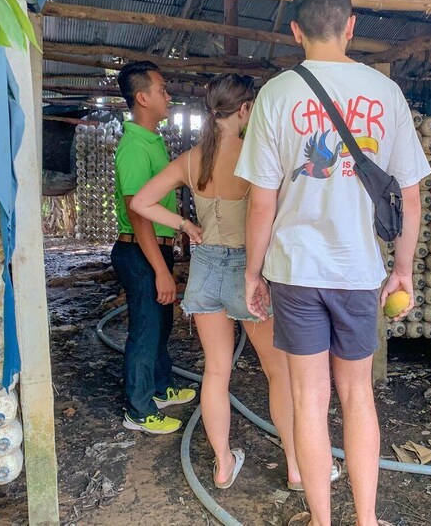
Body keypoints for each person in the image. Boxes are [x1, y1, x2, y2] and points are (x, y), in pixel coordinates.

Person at [235, 0, 430, 526]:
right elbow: (409, 198)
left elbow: (259, 205)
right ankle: (366, 521)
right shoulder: (385, 94)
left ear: (297, 30)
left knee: (308, 402)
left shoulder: (276, 95)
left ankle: (323, 522)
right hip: (358, 271)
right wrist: (404, 270)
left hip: (295, 271)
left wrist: (254, 272)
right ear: (350, 25)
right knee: (358, 397)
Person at [130, 74, 339, 489]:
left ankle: (223, 465)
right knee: (277, 372)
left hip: (205, 269)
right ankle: (298, 468)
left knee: (216, 373)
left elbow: (140, 202)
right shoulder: (258, 156)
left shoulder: (192, 159)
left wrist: (186, 223)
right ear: (244, 110)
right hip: (250, 272)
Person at [111, 61, 196, 435]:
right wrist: (160, 270)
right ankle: (139, 408)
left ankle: (160, 388)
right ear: (142, 97)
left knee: (161, 323)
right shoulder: (133, 148)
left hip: (154, 249)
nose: (168, 95)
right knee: (145, 330)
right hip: (139, 248)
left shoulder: (153, 142)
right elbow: (139, 213)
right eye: (162, 89)